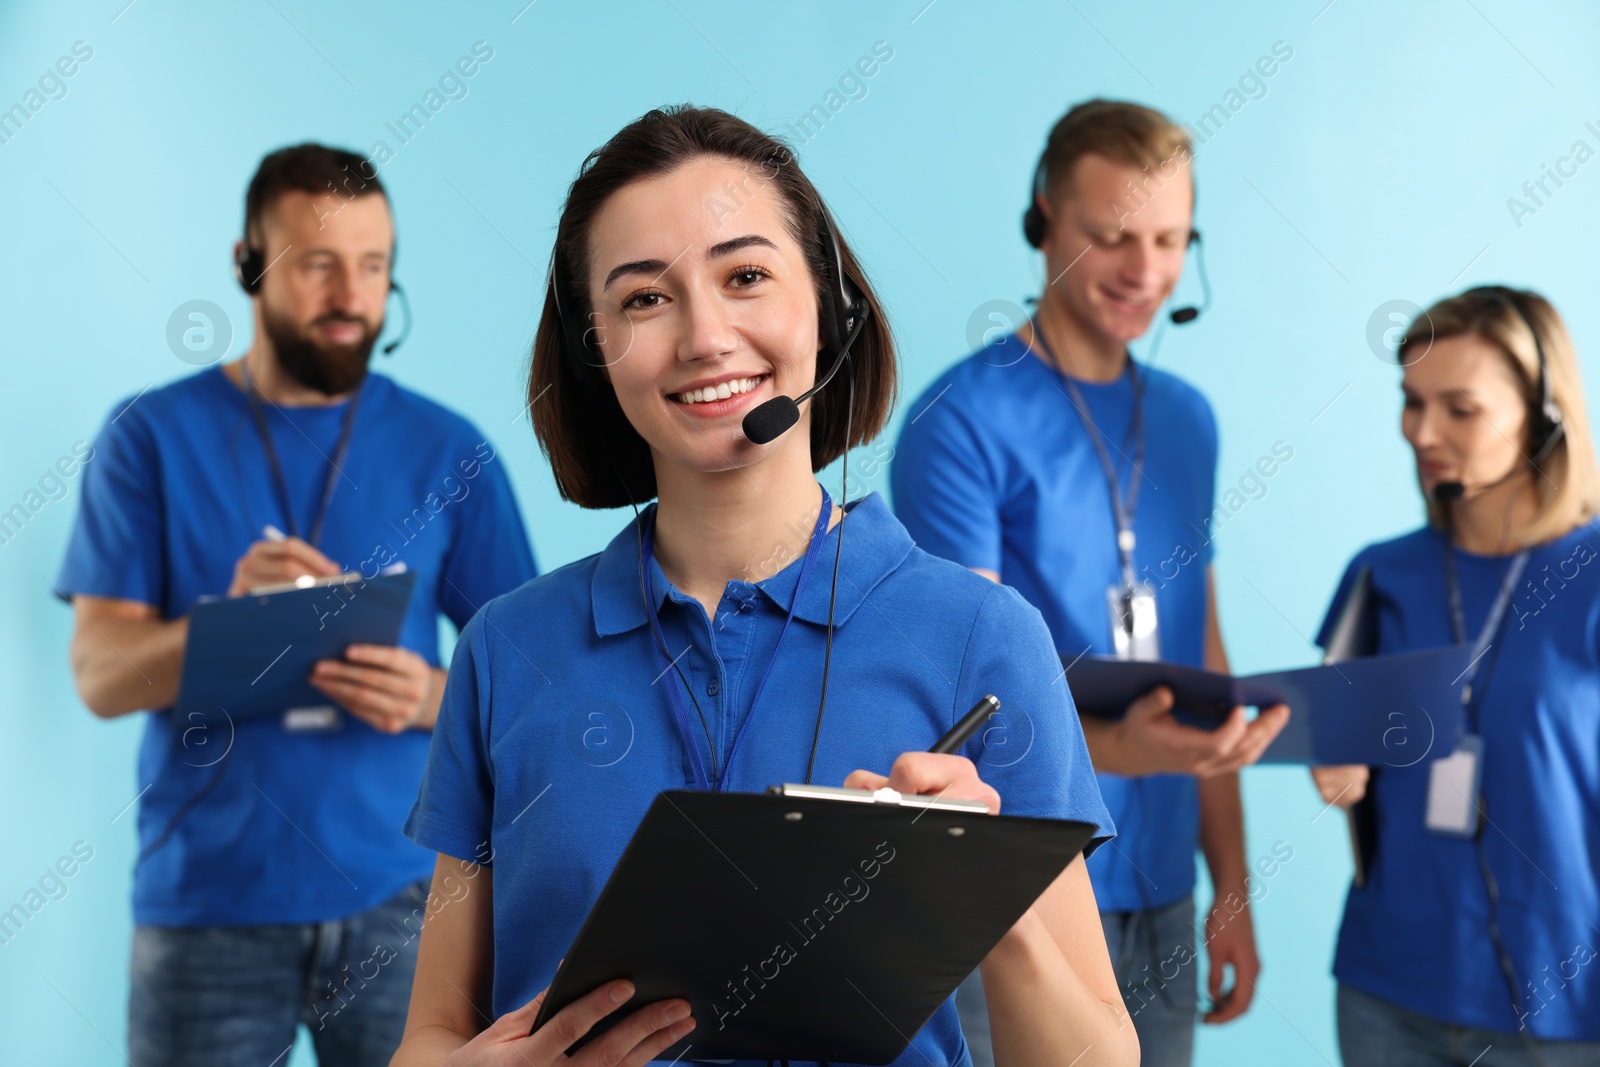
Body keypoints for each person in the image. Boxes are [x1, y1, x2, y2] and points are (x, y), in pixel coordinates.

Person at [391, 105, 1138, 1067]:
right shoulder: (504, 648)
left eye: (746, 276)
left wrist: (986, 892)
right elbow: (427, 1040)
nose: (706, 337)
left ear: (827, 305)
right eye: (643, 299)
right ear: (595, 349)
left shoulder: (980, 634)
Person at [57, 143, 537, 1066]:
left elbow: (524, 682)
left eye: (373, 266)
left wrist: (433, 698)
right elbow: (99, 676)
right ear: (249, 264)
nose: (350, 295)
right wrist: (224, 630)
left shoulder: (450, 449)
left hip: (407, 902)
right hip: (205, 908)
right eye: (318, 264)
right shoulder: (146, 438)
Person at [892, 99, 1289, 1067]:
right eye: (1111, 235)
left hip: (1162, 893)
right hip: (1019, 892)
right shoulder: (958, 421)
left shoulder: (1187, 421)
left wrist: (1228, 885)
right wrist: (1128, 750)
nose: (1144, 271)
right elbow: (964, 695)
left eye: (1166, 238)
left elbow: (1205, 655)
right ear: (1042, 220)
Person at [1311, 286, 1600, 1067]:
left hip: (1568, 1009)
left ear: (1543, 416)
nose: (1423, 433)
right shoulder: (1381, 574)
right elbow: (1336, 753)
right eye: (1411, 402)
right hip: (1387, 993)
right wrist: (1331, 763)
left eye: (1460, 409)